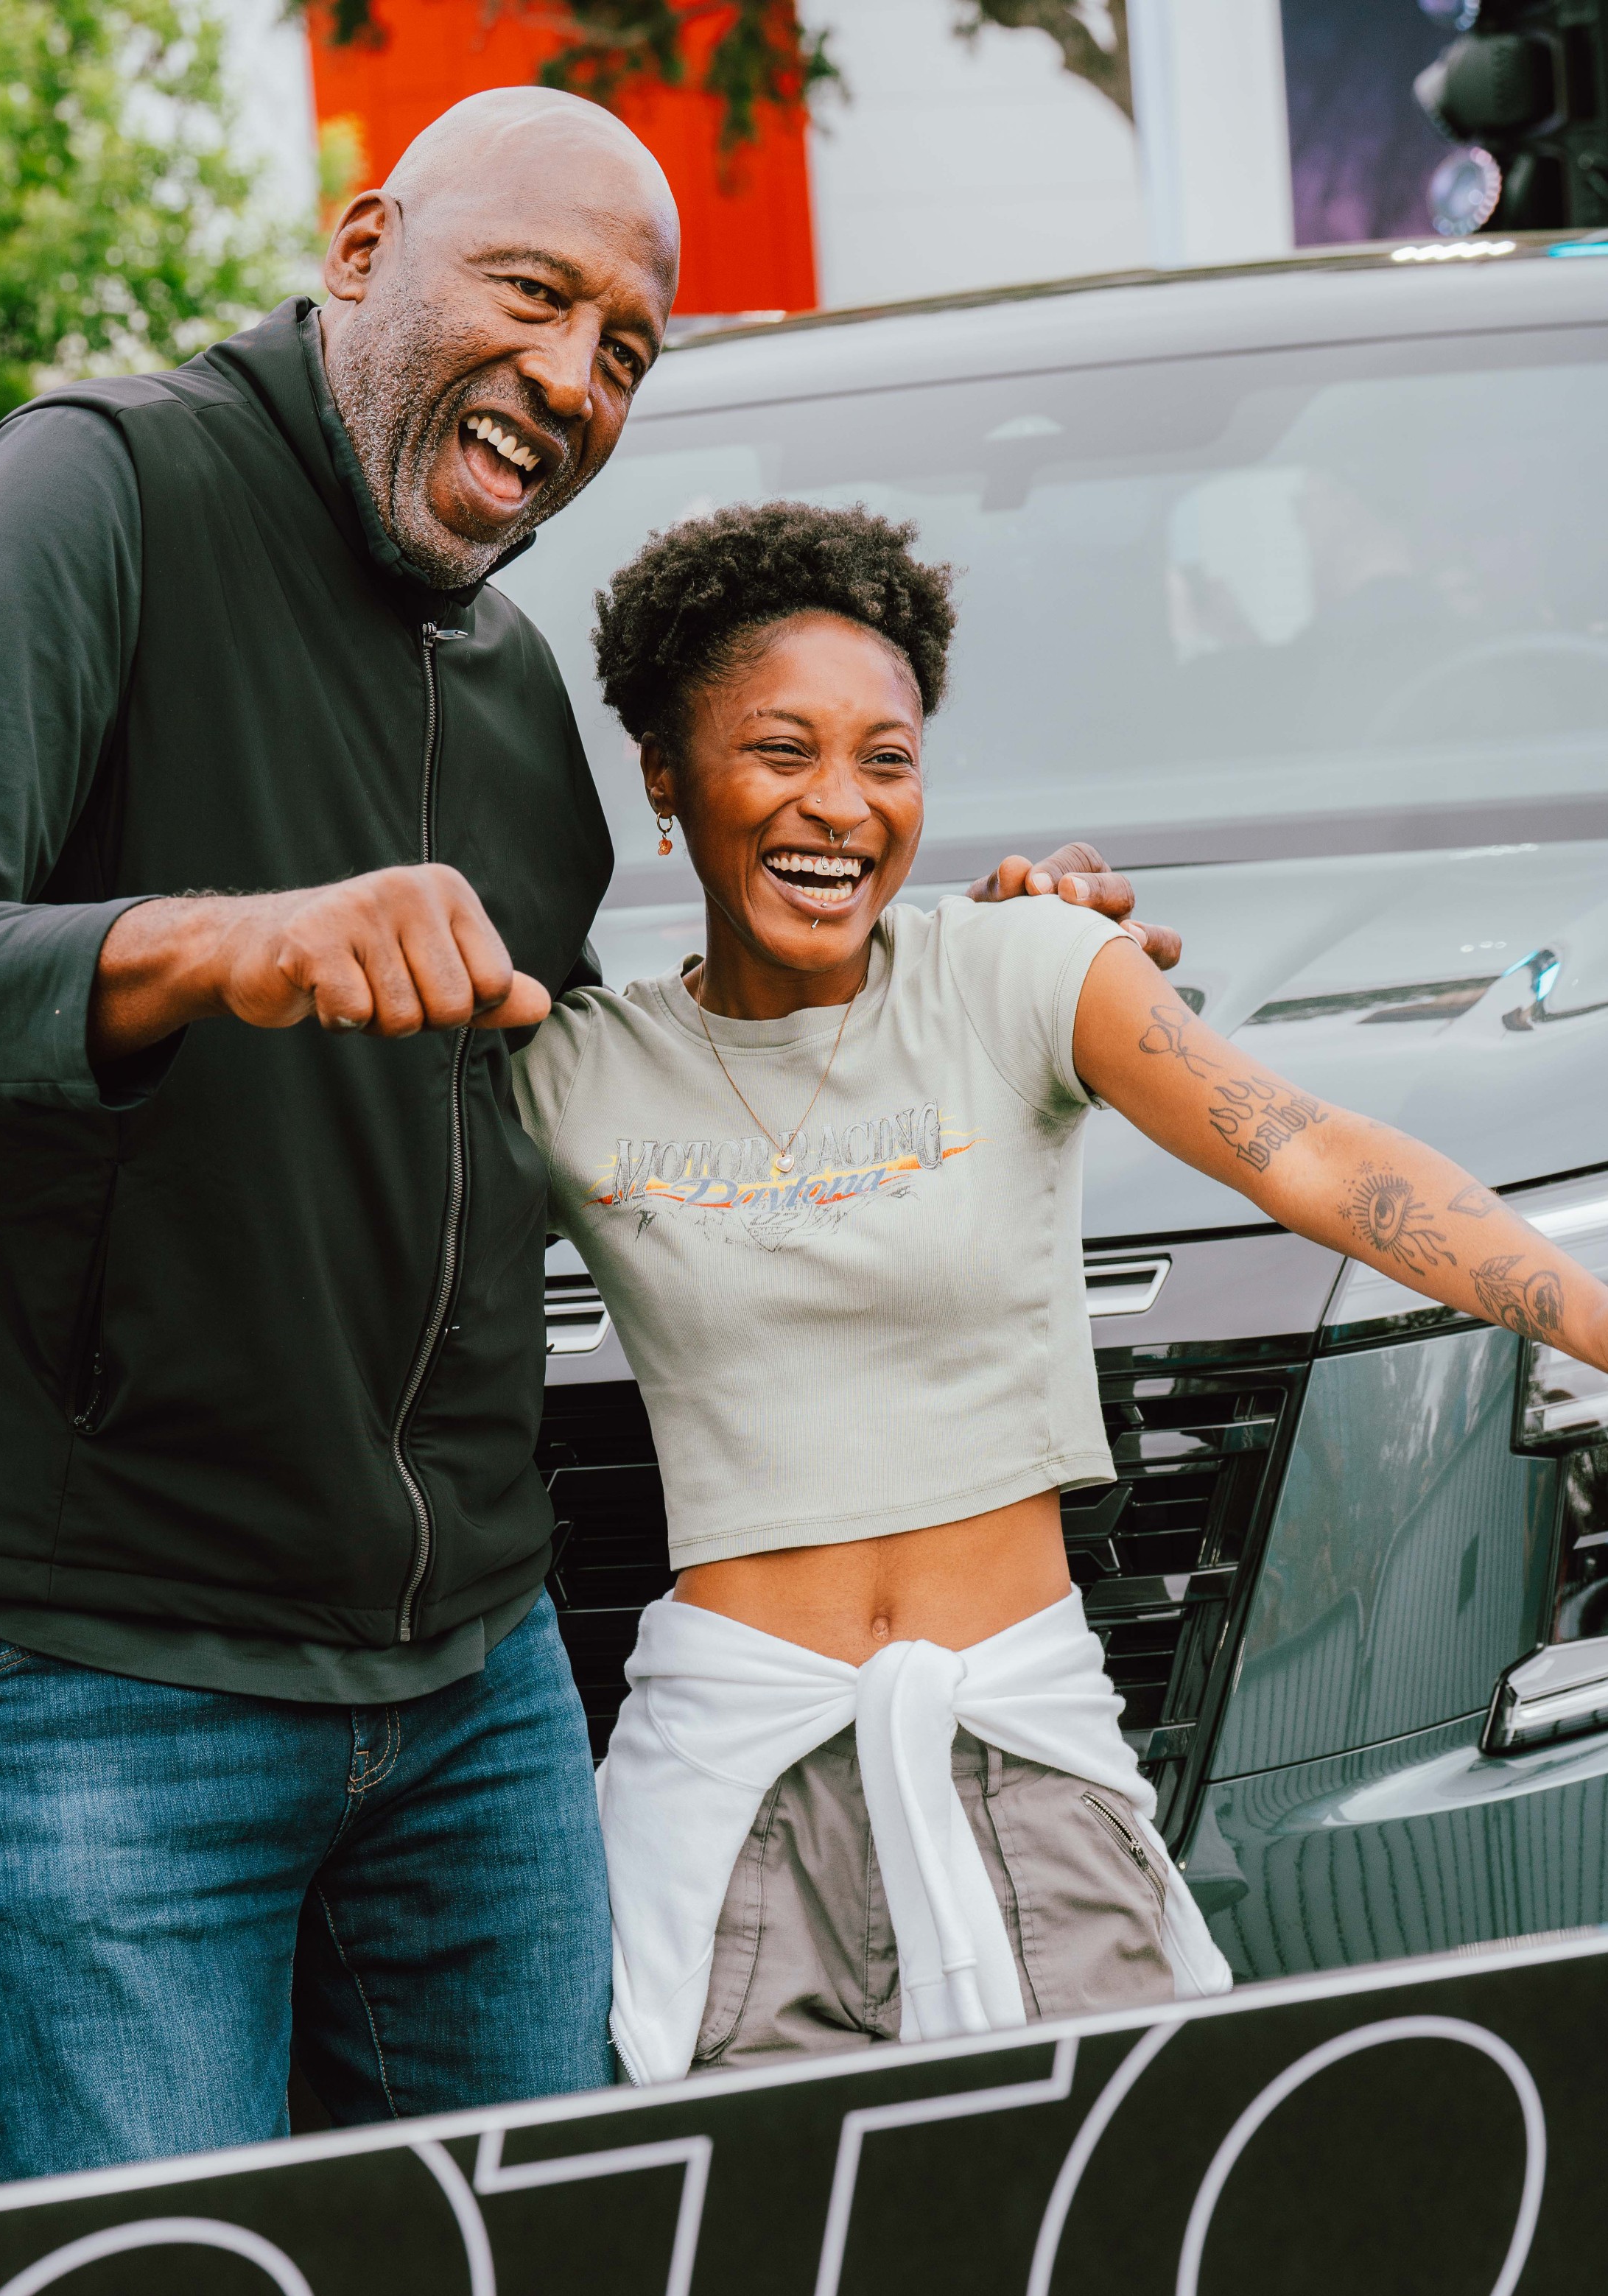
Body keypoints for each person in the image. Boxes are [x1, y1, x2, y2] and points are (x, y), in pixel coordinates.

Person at [0, 91, 1171, 2181]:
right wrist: (212, 946)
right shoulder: (95, 493)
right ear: (358, 250)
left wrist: (990, 967)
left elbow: (643, 1076)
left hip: (473, 1674)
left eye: (626, 349)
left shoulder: (517, 716)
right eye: (537, 293)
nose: (577, 376)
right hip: (101, 1663)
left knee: (557, 2244)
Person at [509, 500, 1608, 2084]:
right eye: (780, 750)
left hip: (1024, 1736)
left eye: (887, 759)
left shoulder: (1020, 970)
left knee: (1115, 2181)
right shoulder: (577, 1072)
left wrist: (1591, 1318)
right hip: (737, 1782)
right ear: (666, 782)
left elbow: (1306, 1154)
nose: (840, 805)